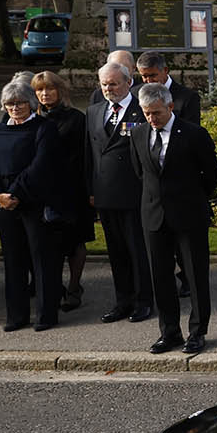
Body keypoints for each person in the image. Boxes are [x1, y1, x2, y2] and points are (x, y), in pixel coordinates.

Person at [131, 82, 217, 353]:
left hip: (188, 215)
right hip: (154, 217)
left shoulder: (193, 134)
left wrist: (190, 197)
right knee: (161, 278)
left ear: (170, 107)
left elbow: (211, 174)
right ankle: (169, 332)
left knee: (194, 277)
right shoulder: (138, 134)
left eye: (156, 113)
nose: (151, 118)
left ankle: (197, 331)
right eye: (146, 113)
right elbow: (140, 173)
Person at [86, 61, 154, 322]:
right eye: (104, 84)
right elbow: (88, 156)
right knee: (116, 253)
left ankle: (144, 301)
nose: (108, 89)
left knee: (138, 251)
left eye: (113, 83)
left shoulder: (142, 111)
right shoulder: (94, 112)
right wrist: (90, 189)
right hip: (105, 195)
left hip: (133, 195)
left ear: (129, 82)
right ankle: (122, 301)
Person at [0, 77, 62, 331]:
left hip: (34, 202)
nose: (15, 108)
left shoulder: (44, 128)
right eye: (9, 104)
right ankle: (17, 316)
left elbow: (42, 165)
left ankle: (46, 315)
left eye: (21, 103)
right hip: (4, 204)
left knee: (42, 259)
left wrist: (15, 194)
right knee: (13, 260)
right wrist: (0, 196)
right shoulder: (0, 129)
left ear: (31, 103)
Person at [32, 70, 93, 311]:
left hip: (72, 189)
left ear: (60, 90)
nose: (45, 94)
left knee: (75, 241)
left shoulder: (75, 119)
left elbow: (85, 157)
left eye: (49, 89)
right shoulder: (32, 117)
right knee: (48, 245)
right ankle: (54, 289)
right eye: (40, 90)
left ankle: (75, 287)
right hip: (41, 192)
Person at [135, 51, 202, 124]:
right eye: (144, 76)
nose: (149, 80)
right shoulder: (134, 94)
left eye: (153, 75)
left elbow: (192, 131)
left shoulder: (188, 98)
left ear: (165, 70)